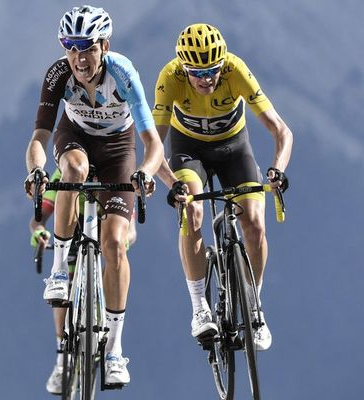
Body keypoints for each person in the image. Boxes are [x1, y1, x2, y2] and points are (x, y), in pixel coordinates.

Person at [24, 5, 176, 386]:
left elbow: (152, 143)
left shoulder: (123, 73)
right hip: (73, 138)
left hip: (118, 150)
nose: (78, 57)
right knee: (71, 171)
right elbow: (39, 138)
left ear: (104, 45)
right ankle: (60, 270)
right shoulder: (59, 73)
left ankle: (115, 351)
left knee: (115, 246)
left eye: (87, 47)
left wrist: (143, 172)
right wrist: (37, 171)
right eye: (69, 47)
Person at [152, 23, 292, 351]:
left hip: (234, 149)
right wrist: (172, 184)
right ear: (183, 68)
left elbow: (282, 131)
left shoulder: (236, 70)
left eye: (213, 70)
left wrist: (278, 170)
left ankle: (253, 306)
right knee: (193, 210)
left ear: (223, 63)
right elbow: (154, 149)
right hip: (188, 151)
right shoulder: (170, 78)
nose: (206, 79)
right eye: (196, 72)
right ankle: (199, 307)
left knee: (255, 224)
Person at [29, 168, 137, 394]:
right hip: (72, 234)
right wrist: (39, 233)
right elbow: (38, 220)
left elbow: (131, 230)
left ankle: (109, 342)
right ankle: (61, 359)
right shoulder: (63, 174)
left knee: (114, 262)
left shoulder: (117, 173)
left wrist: (122, 242)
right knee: (63, 292)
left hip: (103, 234)